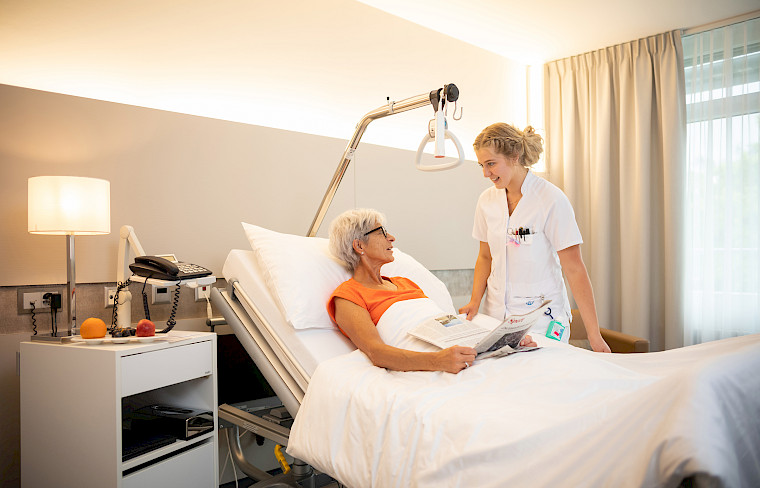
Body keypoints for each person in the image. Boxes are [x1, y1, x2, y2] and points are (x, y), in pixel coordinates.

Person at [459, 123, 611, 353]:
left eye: (491, 164)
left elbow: (574, 269)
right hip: (496, 318)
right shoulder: (486, 201)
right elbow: (485, 257)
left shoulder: (550, 199)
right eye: (482, 165)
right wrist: (474, 301)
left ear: (514, 156)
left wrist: (594, 335)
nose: (485, 173)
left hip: (541, 320)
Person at [327, 208, 537, 374]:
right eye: (381, 232)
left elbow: (445, 325)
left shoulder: (405, 283)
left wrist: (503, 344)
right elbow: (376, 353)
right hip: (432, 362)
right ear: (359, 246)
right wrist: (438, 361)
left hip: (458, 353)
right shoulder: (348, 296)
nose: (391, 237)